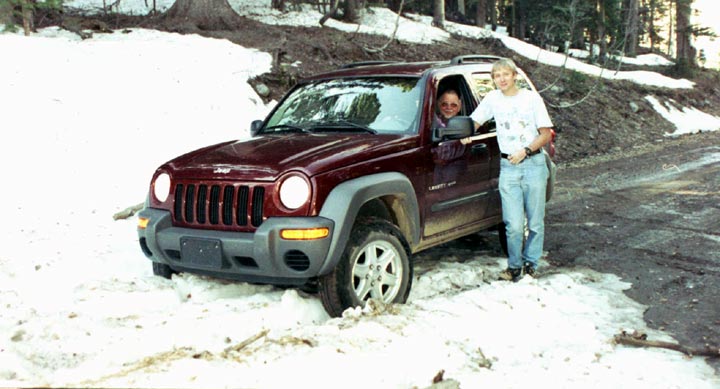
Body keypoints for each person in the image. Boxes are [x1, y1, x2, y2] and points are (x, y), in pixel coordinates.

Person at [463, 58, 553, 281]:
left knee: (534, 222)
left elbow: (545, 134)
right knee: (512, 224)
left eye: (505, 74)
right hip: (508, 168)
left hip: (533, 164)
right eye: (496, 76)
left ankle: (531, 264)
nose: (501, 79)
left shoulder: (531, 99)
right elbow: (473, 122)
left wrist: (526, 150)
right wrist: (458, 134)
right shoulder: (493, 99)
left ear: (514, 76)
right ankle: (514, 267)